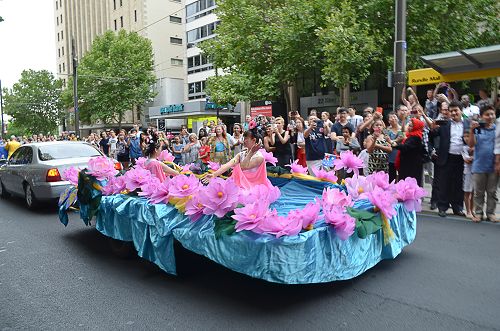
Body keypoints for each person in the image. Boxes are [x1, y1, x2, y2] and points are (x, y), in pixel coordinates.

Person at [430, 100, 467, 217]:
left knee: (458, 184)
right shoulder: (444, 124)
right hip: (446, 158)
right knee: (444, 183)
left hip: (461, 158)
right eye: (451, 111)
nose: (453, 113)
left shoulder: (468, 124)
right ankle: (442, 207)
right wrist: (432, 129)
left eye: (456, 110)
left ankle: (458, 208)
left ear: (461, 111)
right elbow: (432, 135)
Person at [203, 129, 272, 189]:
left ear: (253, 140)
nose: (244, 141)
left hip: (253, 187)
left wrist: (251, 152)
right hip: (241, 184)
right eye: (243, 138)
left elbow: (244, 166)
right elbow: (228, 164)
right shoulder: (241, 154)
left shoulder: (259, 157)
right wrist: (214, 174)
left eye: (246, 139)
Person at [468, 105, 498, 222]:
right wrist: (471, 130)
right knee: (478, 192)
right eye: (487, 114)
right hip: (479, 165)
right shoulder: (477, 128)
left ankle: (491, 213)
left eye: (492, 114)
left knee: (492, 192)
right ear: (481, 116)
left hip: (494, 166)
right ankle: (479, 213)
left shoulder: (497, 129)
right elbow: (471, 145)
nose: (490, 116)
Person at [392, 118, 425, 186]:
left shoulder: (415, 137)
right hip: (409, 164)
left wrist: (395, 145)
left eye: (411, 126)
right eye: (409, 125)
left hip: (411, 165)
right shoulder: (412, 135)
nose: (409, 127)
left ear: (416, 127)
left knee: (408, 184)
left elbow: (406, 147)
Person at [386, 112, 404, 182]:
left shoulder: (401, 129)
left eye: (395, 116)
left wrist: (391, 141)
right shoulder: (387, 130)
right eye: (391, 117)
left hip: (400, 155)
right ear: (388, 121)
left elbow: (401, 138)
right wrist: (392, 142)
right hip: (391, 156)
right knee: (392, 178)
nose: (394, 118)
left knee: (401, 176)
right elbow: (386, 140)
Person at [462, 131, 474, 219]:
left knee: (474, 192)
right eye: (465, 136)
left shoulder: (476, 146)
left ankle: (472, 210)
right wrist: (473, 157)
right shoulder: (463, 148)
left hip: (476, 171)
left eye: (468, 136)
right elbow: (467, 160)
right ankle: (468, 210)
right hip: (467, 172)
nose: (466, 138)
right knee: (467, 192)